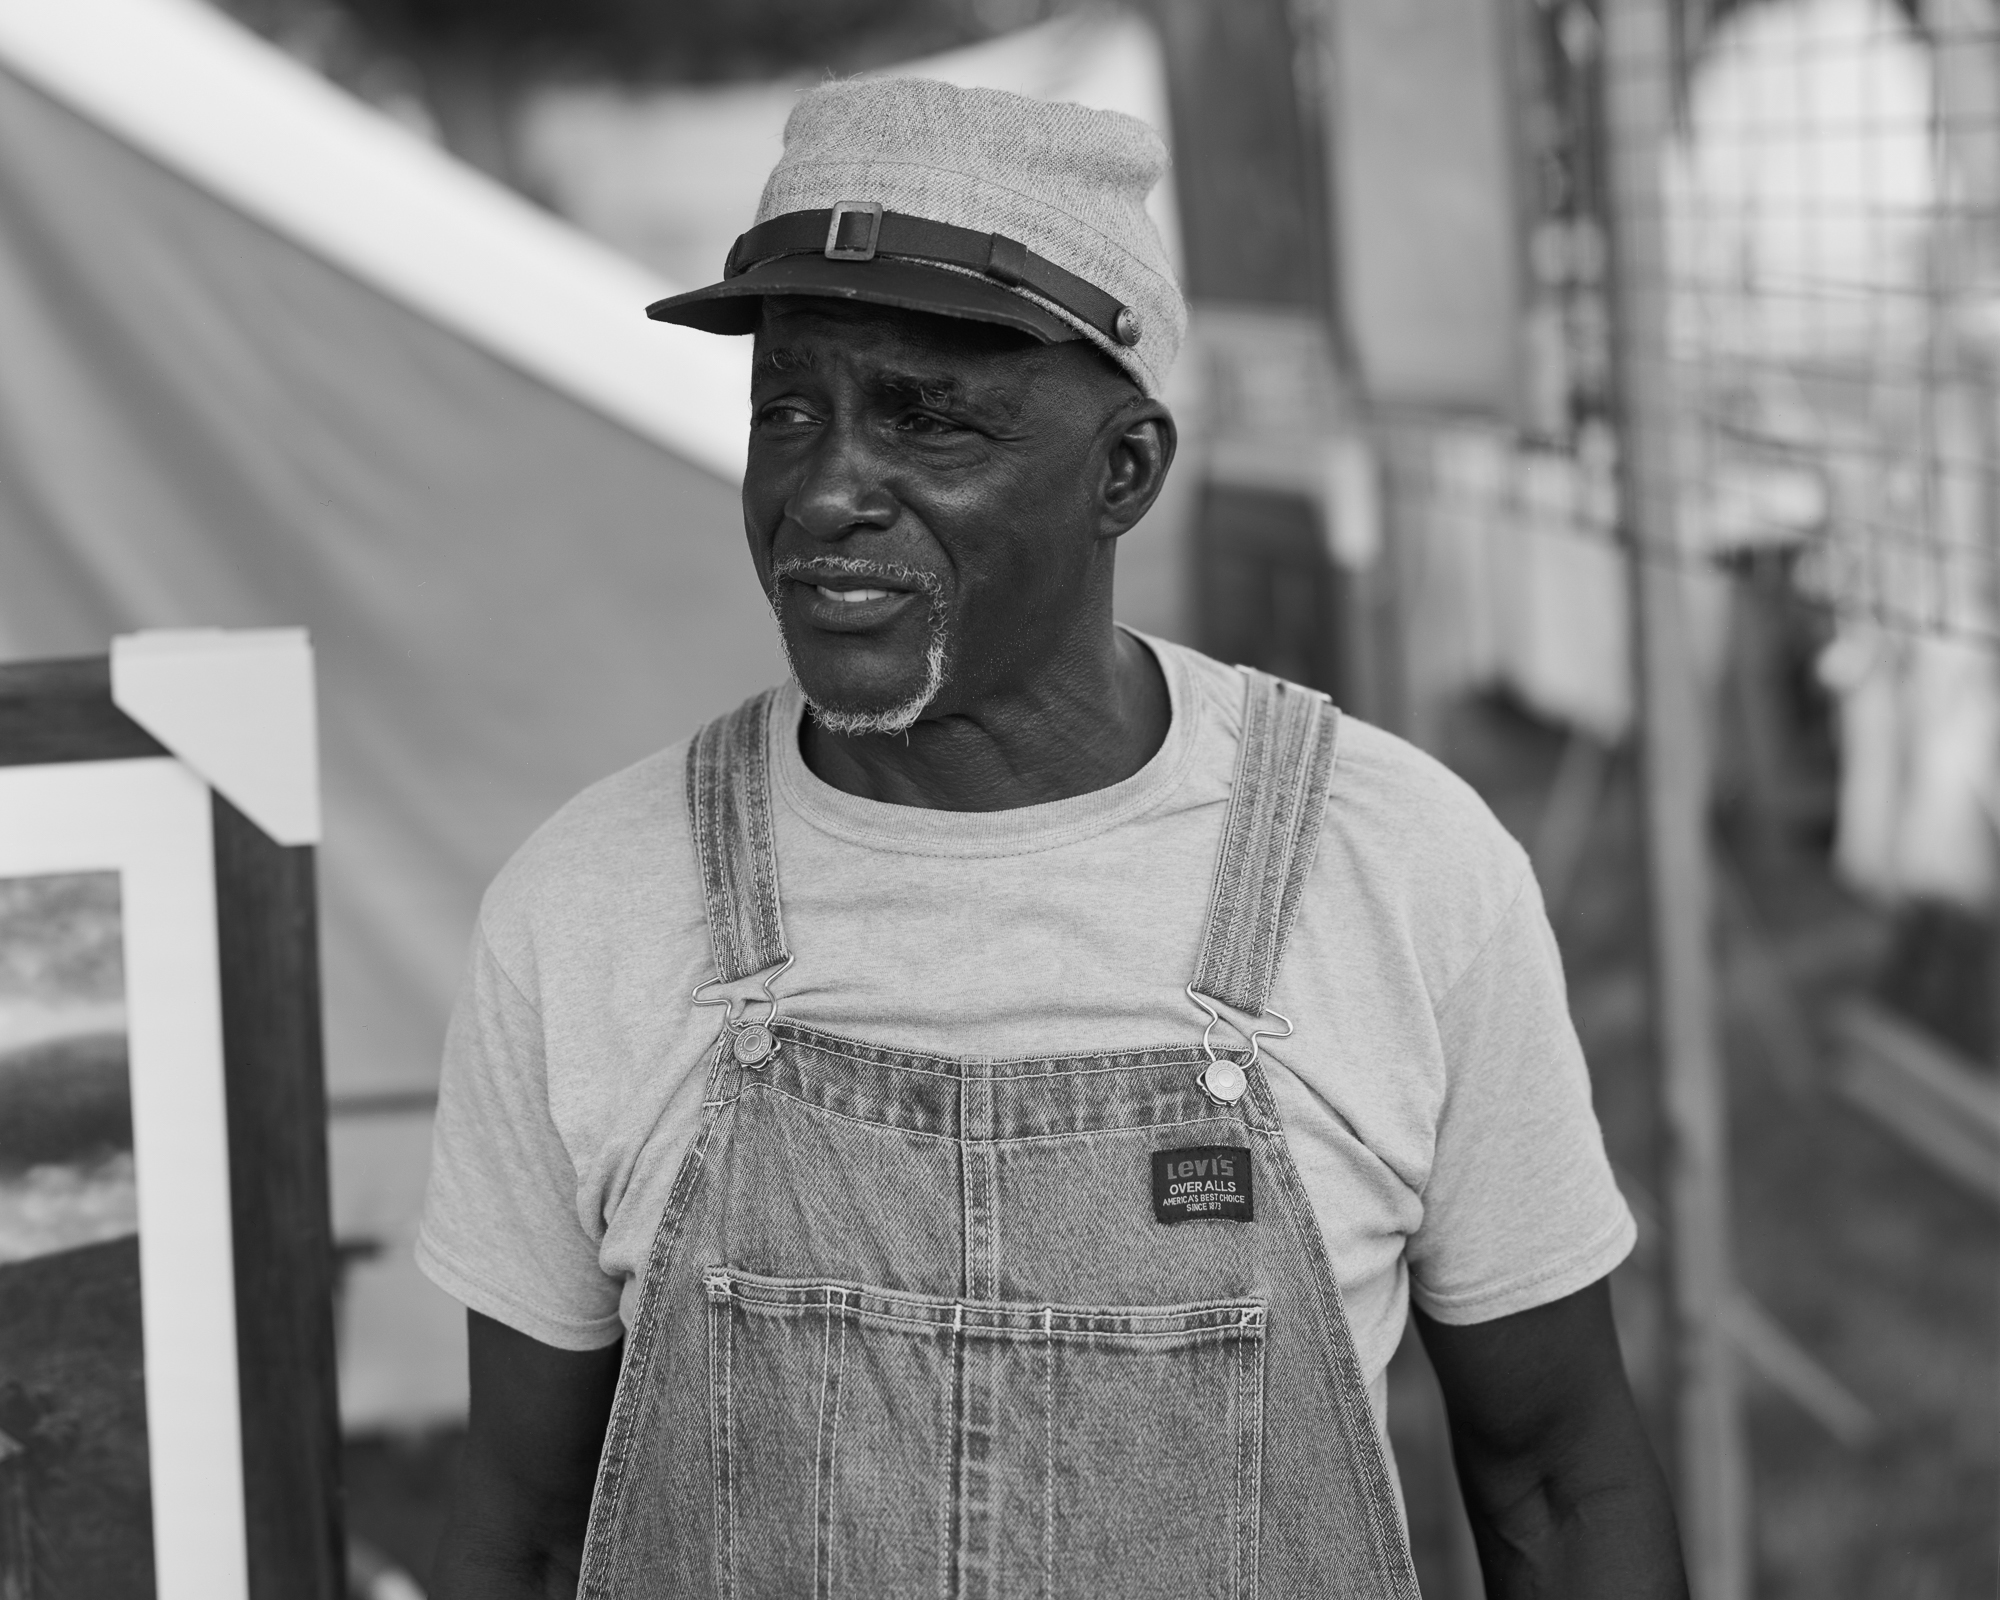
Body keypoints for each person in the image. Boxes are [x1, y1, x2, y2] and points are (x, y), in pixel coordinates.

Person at [421, 77, 1685, 1599]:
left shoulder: (1394, 868)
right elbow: (527, 1524)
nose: (824, 491)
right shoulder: (591, 906)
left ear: (1125, 473)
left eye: (926, 419)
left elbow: (1557, 1481)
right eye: (788, 411)